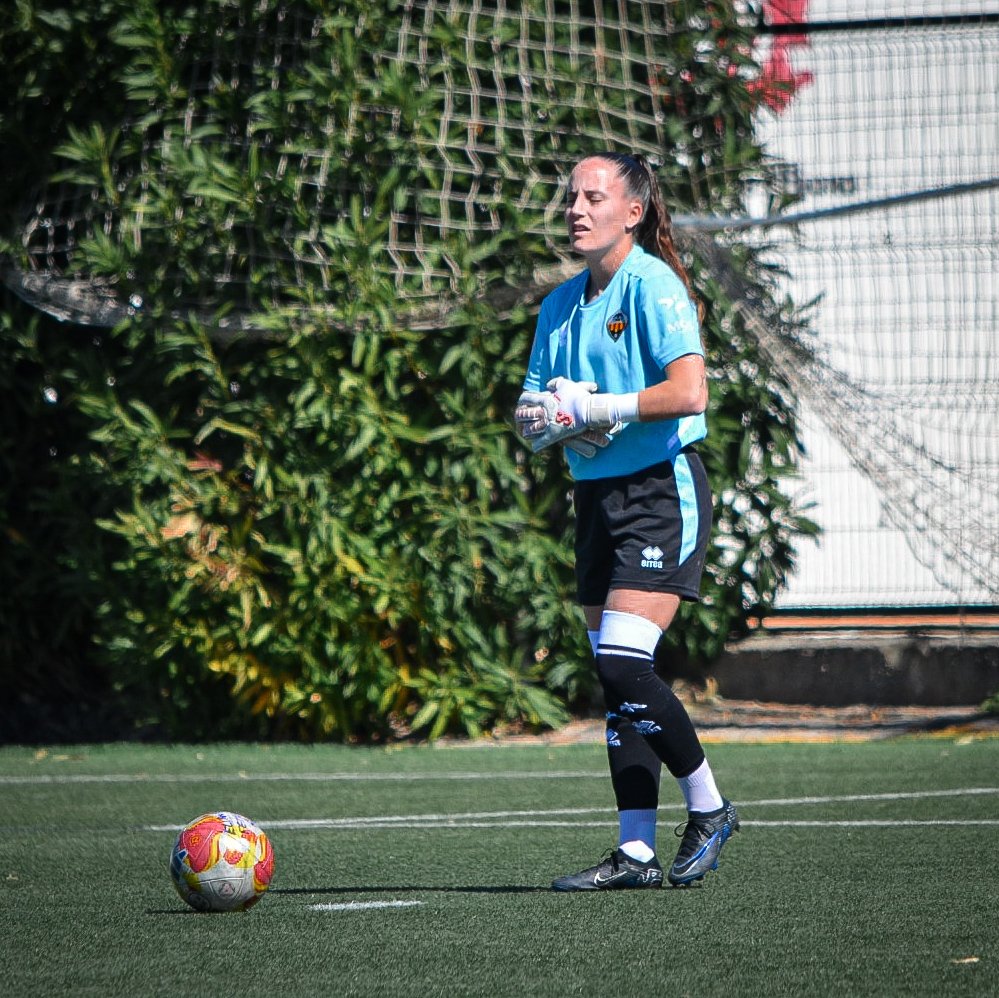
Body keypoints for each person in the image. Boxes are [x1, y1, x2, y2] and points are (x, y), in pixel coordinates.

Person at [515, 152, 739, 891]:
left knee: (621, 662)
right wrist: (547, 421)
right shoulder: (559, 305)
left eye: (592, 197)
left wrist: (598, 408)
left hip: (657, 493)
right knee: (617, 685)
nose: (575, 209)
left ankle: (708, 807)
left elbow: (689, 391)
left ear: (632, 211)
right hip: (595, 503)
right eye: (571, 197)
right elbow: (529, 409)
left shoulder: (652, 284)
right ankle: (635, 852)